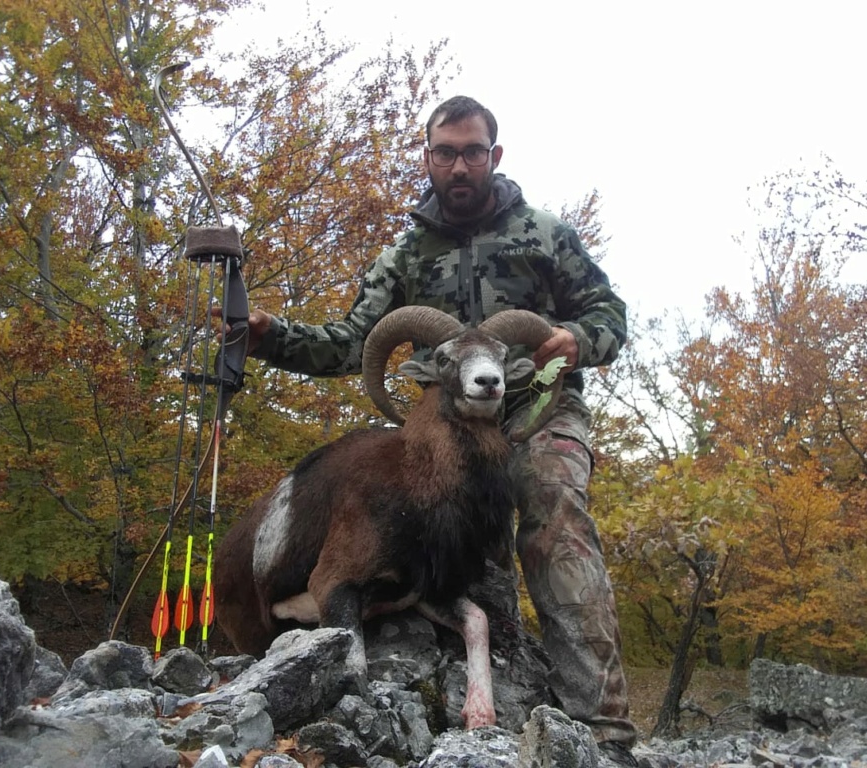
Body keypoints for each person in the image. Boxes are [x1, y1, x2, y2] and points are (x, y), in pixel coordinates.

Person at [232, 96, 637, 765]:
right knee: (458, 555)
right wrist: (271, 337)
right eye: (445, 151)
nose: (459, 164)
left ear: (493, 157)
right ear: (427, 158)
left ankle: (603, 729)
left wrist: (578, 337)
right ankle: (483, 714)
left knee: (552, 512)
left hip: (534, 410)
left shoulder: (544, 234)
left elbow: (608, 311)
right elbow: (349, 343)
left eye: (472, 151)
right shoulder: (404, 255)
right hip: (445, 426)